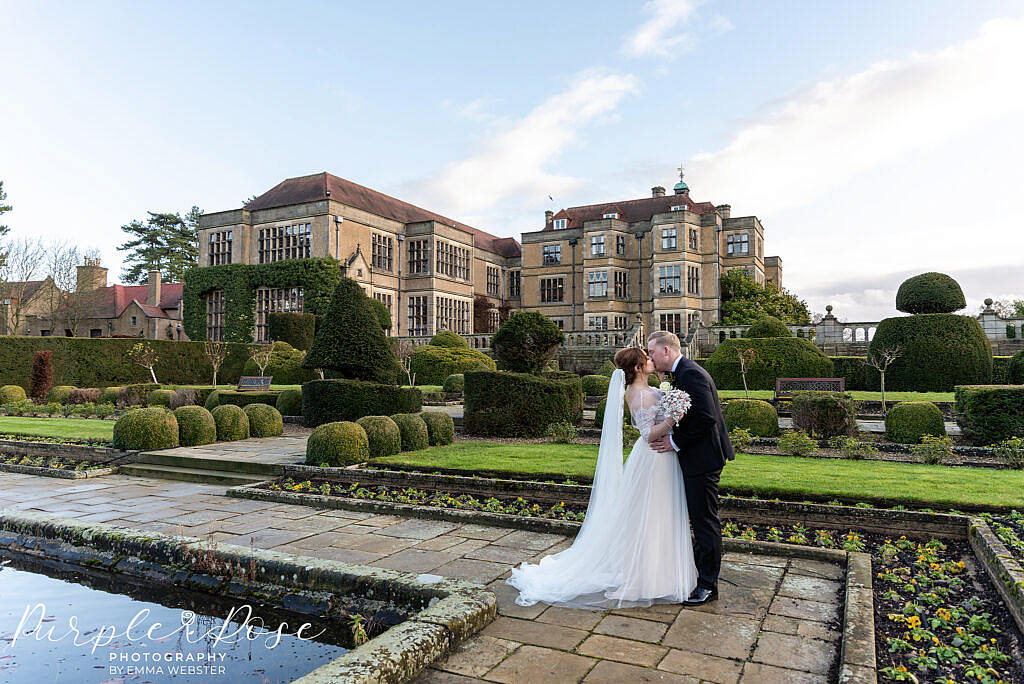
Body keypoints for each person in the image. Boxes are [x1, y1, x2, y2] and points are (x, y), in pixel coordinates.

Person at [506, 347, 697, 608]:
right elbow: (647, 434)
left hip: (663, 459)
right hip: (653, 459)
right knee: (650, 517)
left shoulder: (650, 390)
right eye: (647, 359)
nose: (652, 360)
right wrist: (673, 419)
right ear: (638, 368)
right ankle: (642, 579)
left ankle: (661, 576)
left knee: (661, 516)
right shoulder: (639, 395)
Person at [647, 330, 734, 606]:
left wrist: (674, 441)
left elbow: (706, 419)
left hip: (704, 458)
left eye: (652, 352)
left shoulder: (691, 374)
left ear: (666, 351)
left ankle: (708, 585)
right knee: (699, 519)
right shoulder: (679, 373)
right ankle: (700, 574)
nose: (650, 357)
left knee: (705, 521)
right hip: (698, 457)